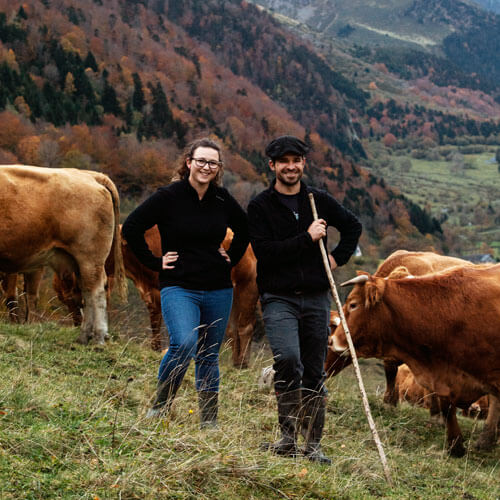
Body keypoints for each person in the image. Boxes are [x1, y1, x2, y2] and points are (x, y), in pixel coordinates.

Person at [247, 135, 362, 464]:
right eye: (284, 161)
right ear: (272, 166)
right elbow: (265, 253)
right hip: (278, 297)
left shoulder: (318, 200)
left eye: (296, 160)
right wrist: (307, 238)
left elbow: (353, 226)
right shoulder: (260, 206)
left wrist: (335, 259)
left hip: (316, 297)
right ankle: (286, 437)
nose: (291, 166)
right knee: (287, 360)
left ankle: (313, 445)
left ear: (303, 164)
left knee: (314, 370)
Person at [122, 137, 249, 428]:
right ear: (189, 162)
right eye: (201, 161)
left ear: (218, 168)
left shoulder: (222, 199)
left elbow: (245, 229)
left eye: (212, 163)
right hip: (179, 285)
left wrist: (230, 255)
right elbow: (131, 227)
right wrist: (154, 262)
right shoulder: (168, 196)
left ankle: (209, 422)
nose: (206, 167)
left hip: (218, 287)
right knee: (183, 343)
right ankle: (160, 406)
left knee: (208, 354)